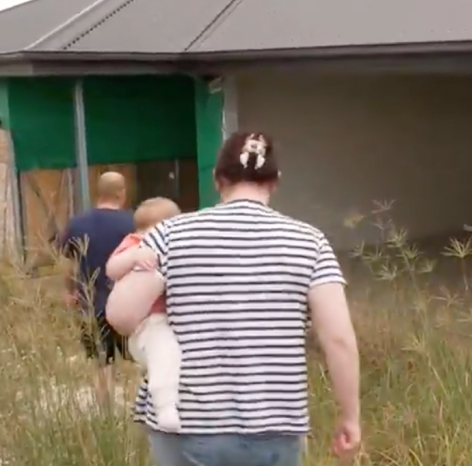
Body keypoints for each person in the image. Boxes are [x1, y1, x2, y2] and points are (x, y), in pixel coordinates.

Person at [106, 132, 361, 466]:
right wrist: (350, 416)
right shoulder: (310, 243)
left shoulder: (171, 234)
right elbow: (338, 339)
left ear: (217, 179)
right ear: (275, 181)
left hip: (185, 427)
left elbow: (121, 316)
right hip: (273, 427)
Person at [57, 171, 135, 406]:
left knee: (102, 363)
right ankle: (137, 410)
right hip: (128, 303)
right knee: (136, 360)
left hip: (90, 302)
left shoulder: (77, 223)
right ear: (121, 192)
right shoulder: (132, 222)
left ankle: (105, 414)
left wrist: (70, 291)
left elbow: (67, 263)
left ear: (97, 192)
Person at [106, 197, 183, 432]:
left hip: (163, 319)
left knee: (169, 356)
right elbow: (111, 268)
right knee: (165, 352)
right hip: (149, 323)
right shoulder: (135, 243)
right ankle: (165, 407)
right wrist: (134, 257)